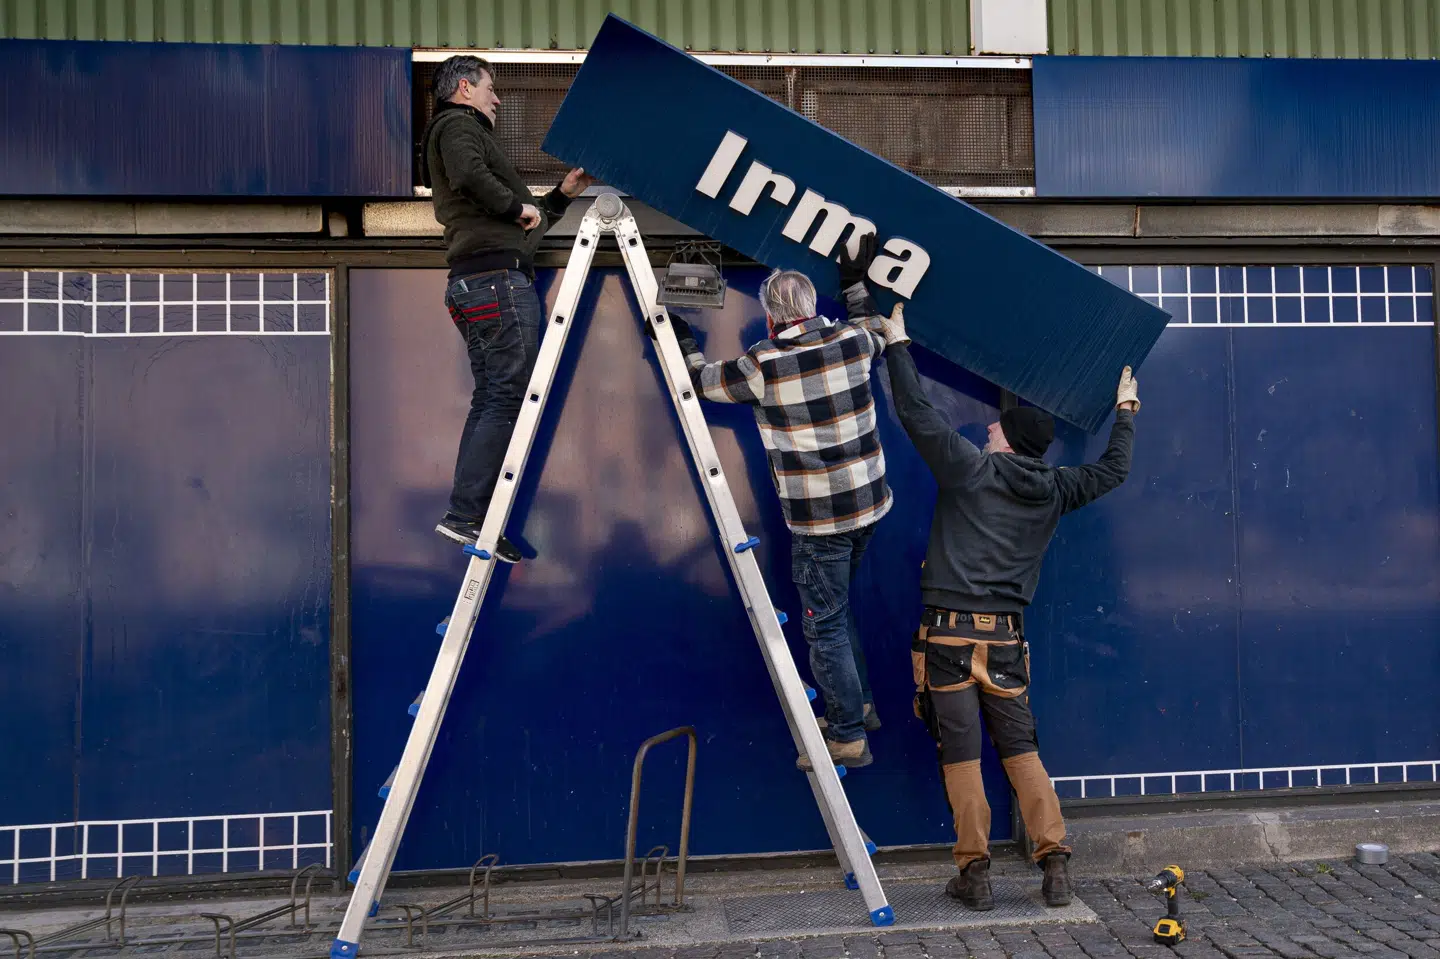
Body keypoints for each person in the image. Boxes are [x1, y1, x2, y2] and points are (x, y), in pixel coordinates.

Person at [876, 297, 1139, 910]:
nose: (987, 427)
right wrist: (1125, 410)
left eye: (997, 426)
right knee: (1022, 753)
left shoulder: (970, 470)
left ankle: (976, 873)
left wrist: (897, 343)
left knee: (962, 757)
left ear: (1010, 442)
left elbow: (917, 413)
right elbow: (1113, 470)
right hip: (1005, 644)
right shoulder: (1056, 488)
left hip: (946, 641)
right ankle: (1055, 862)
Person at [668, 238, 906, 769]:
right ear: (813, 308)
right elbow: (871, 324)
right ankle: (859, 706)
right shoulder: (853, 340)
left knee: (824, 623)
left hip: (819, 522)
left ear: (772, 320)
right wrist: (854, 284)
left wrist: (681, 335)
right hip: (870, 507)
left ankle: (847, 735)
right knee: (839, 613)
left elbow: (701, 381)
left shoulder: (764, 363)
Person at [421, 54, 594, 559]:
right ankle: (466, 514)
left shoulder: (467, 144)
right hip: (494, 284)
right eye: (491, 88)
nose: (497, 98)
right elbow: (472, 176)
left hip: (482, 281)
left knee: (494, 398)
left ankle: (470, 515)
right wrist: (514, 205)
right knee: (505, 398)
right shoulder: (456, 125)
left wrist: (558, 197)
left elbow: (525, 231)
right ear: (464, 88)